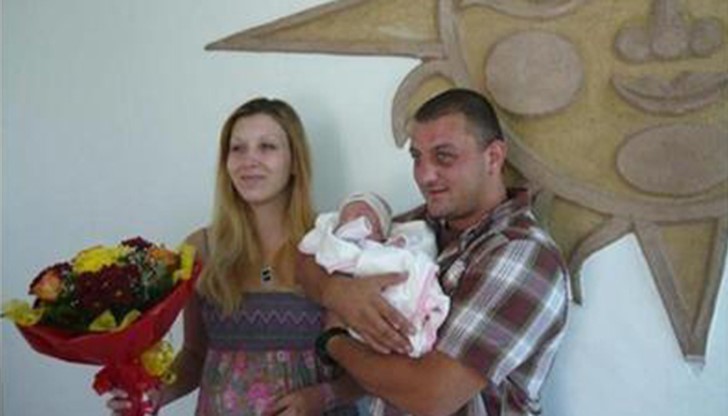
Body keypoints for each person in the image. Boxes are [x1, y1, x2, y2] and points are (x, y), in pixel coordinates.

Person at [298, 89, 569, 415]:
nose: (425, 175)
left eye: (444, 156)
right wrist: (337, 292)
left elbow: (430, 395)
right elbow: (306, 260)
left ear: (493, 157)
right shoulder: (420, 224)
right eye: (417, 157)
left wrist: (334, 340)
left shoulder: (522, 254)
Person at [108, 97, 361, 415]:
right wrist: (157, 392)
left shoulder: (334, 246)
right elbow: (195, 355)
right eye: (237, 148)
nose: (249, 160)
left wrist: (321, 397)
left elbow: (373, 371)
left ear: (296, 162)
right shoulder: (201, 249)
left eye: (267, 146)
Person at [298, 191, 450, 358]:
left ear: (382, 232)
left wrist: (333, 338)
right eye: (351, 213)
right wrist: (334, 290)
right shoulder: (336, 241)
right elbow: (307, 260)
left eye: (367, 216)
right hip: (355, 323)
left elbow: (414, 259)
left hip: (393, 305)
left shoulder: (400, 239)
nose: (359, 220)